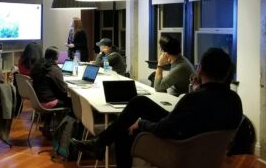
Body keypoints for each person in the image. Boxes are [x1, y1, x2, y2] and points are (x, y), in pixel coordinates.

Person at [70, 48, 243, 168]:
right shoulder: (235, 101)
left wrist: (142, 124)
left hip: (178, 148)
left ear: (200, 69)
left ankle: (100, 143)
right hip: (206, 151)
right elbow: (204, 117)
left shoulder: (193, 100)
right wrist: (199, 89)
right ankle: (100, 142)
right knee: (140, 102)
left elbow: (165, 129)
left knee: (126, 127)